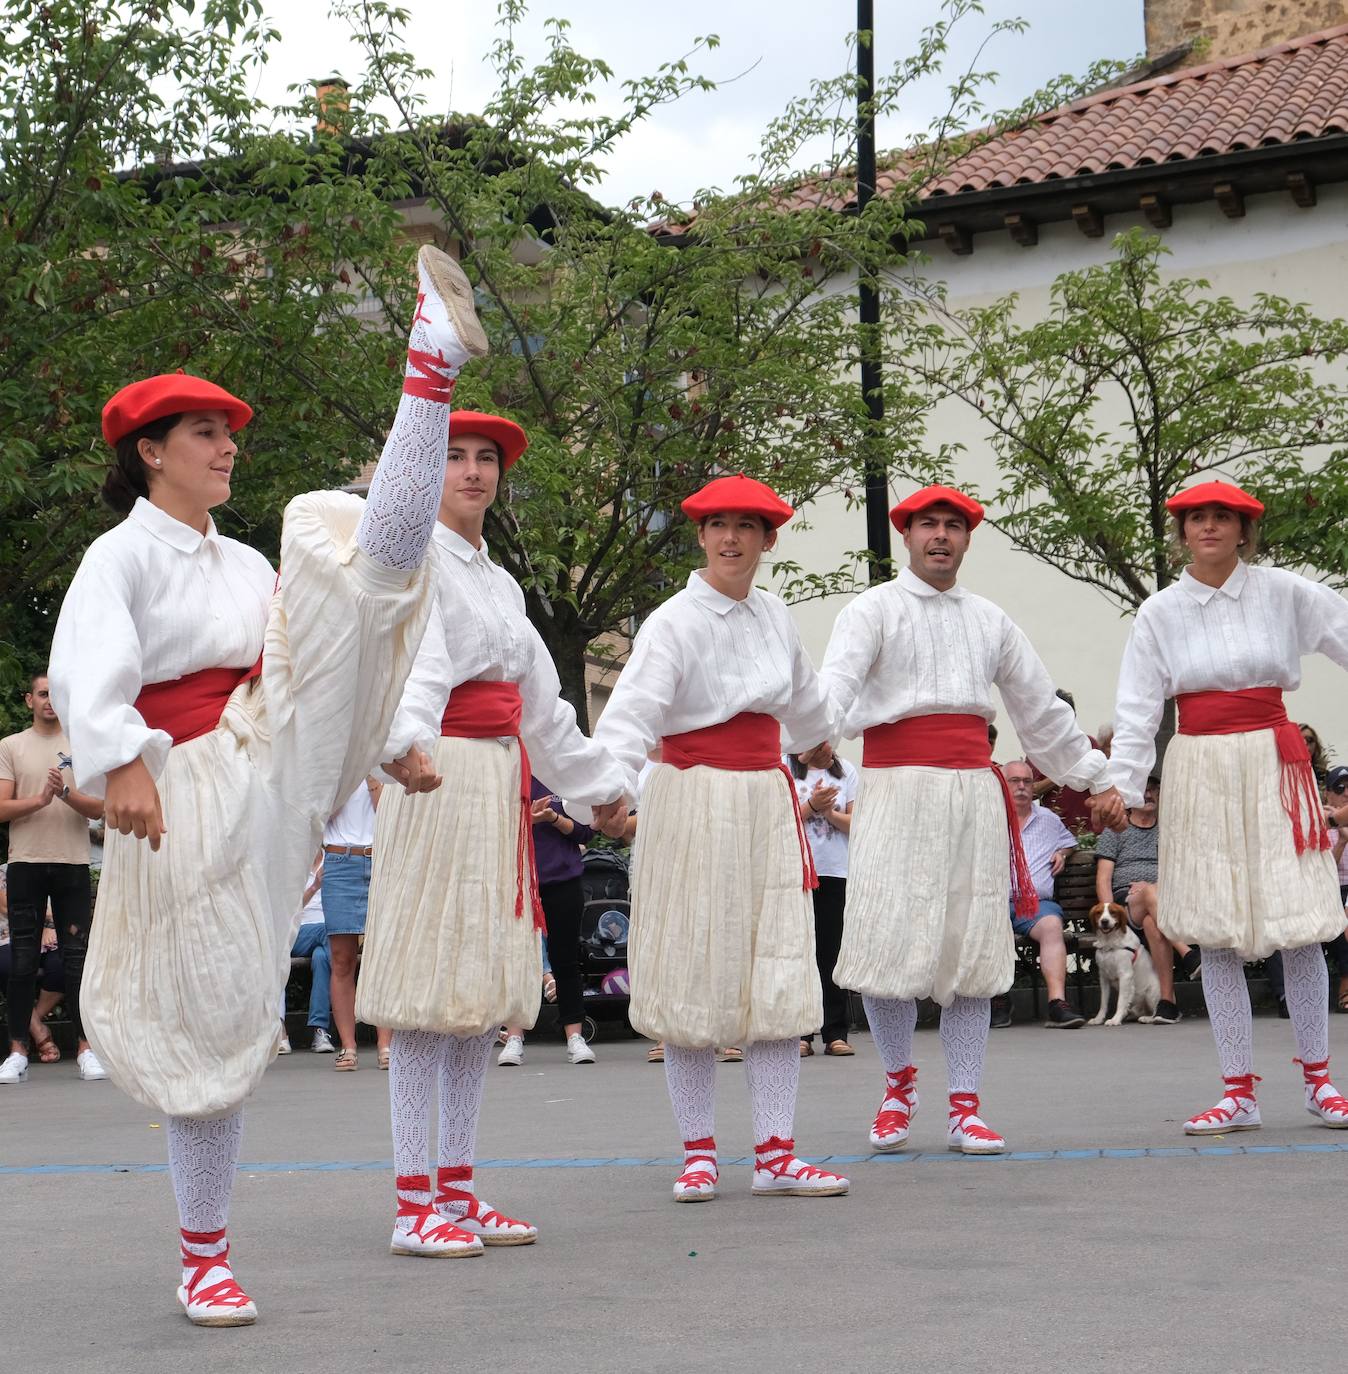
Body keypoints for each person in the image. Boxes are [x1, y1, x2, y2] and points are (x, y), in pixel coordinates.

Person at [46, 244, 486, 1324]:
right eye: (205, 432)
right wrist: (118, 765)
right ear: (151, 451)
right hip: (180, 786)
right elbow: (84, 669)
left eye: (227, 432)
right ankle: (203, 1256)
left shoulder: (244, 564)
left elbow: (316, 666)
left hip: (268, 759)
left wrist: (383, 744)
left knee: (353, 568)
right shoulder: (121, 557)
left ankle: (428, 370)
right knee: (209, 1013)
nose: (225, 446)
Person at [356, 410, 627, 1257]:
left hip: (497, 780)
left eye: (486, 460)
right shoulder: (414, 564)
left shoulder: (501, 583)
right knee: (427, 994)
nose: (472, 472)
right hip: (436, 778)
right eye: (454, 459)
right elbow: (413, 672)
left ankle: (458, 1188)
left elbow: (543, 710)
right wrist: (402, 749)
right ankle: (411, 1206)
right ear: (427, 474)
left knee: (476, 999)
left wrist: (605, 792)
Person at [819, 485, 1124, 1155]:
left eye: (953, 526)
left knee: (972, 948)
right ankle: (898, 1086)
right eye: (928, 524)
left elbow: (1041, 712)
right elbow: (834, 688)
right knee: (885, 945)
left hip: (970, 794)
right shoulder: (871, 610)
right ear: (906, 535)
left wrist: (1098, 777)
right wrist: (817, 733)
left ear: (966, 539)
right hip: (895, 790)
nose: (940, 536)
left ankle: (965, 1104)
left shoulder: (990, 619)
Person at [593, 472, 848, 1204]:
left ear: (768, 539)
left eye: (746, 526)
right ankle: (698, 1152)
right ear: (701, 536)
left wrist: (821, 746)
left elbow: (806, 703)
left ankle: (776, 1152)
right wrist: (609, 789)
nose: (730, 538)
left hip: (766, 798)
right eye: (717, 526)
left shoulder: (775, 616)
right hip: (691, 796)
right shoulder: (673, 620)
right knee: (690, 965)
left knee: (775, 967)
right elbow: (633, 711)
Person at [1110, 480, 1348, 1134]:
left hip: (1274, 762)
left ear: (1245, 530)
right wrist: (1124, 786)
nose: (1210, 528)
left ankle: (1320, 1083)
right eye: (1197, 519)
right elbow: (1137, 707)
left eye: (1224, 518)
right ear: (1182, 531)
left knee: (1298, 925)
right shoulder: (1160, 610)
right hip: (1200, 766)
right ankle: (1237, 1091)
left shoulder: (1284, 592)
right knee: (1214, 933)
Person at [0, 673, 106, 1083]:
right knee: (23, 961)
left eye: (56, 695)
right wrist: (40, 799)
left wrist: (65, 795)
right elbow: (2, 808)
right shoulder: (10, 746)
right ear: (29, 699)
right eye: (43, 694)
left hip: (72, 863)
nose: (50, 701)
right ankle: (17, 1051)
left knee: (78, 959)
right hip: (26, 863)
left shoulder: (83, 745)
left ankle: (86, 1048)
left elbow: (99, 809)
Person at [498, 777, 599, 1067]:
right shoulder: (510, 770)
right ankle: (514, 1036)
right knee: (518, 958)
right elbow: (489, 830)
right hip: (519, 881)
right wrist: (524, 821)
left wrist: (553, 817)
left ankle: (575, 1037)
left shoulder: (562, 773)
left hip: (563, 879)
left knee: (565, 958)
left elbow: (585, 833)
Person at [1094, 776, 1199, 1025]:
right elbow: (1103, 879)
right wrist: (1111, 916)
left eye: (1154, 789)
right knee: (1150, 895)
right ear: (1130, 795)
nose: (1149, 794)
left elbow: (1183, 871)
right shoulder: (1116, 831)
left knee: (1153, 921)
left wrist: (1153, 887)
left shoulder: (1169, 830)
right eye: (1143, 790)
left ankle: (1167, 1004)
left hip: (1166, 900)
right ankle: (1188, 954)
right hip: (1127, 903)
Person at [996, 758, 1086, 1028]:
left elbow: (1069, 842)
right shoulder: (989, 818)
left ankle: (1057, 1004)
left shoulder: (1048, 819)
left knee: (1051, 926)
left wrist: (1062, 852)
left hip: (1036, 904)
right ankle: (998, 998)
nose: (1022, 787)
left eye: (1027, 781)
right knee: (986, 926)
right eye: (1015, 781)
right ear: (1002, 785)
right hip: (995, 902)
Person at [788, 742, 858, 1056]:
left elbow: (857, 823)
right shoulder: (785, 767)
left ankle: (835, 1032)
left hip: (834, 870)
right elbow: (778, 819)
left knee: (831, 952)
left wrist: (828, 813)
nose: (829, 744)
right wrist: (811, 807)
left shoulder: (846, 772)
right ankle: (801, 1032)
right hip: (796, 872)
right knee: (799, 952)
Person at [321, 779, 391, 1071]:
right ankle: (348, 1046)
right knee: (341, 959)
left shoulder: (385, 759)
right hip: (339, 861)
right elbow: (319, 812)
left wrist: (373, 779)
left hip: (382, 859)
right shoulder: (334, 764)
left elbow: (391, 814)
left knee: (382, 958)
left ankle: (386, 1045)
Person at [0, 864, 66, 1063]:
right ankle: (39, 1032)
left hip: (49, 938)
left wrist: (50, 927)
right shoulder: (5, 871)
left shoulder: (58, 871)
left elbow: (67, 910)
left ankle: (24, 1026)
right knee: (8, 966)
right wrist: (47, 921)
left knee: (63, 966)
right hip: (7, 939)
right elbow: (9, 906)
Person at [281, 853, 333, 1056]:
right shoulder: (292, 862)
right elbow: (286, 911)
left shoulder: (332, 860)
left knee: (322, 958)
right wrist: (314, 887)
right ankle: (351, 998)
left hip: (326, 936)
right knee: (327, 934)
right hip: (297, 932)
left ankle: (320, 1030)